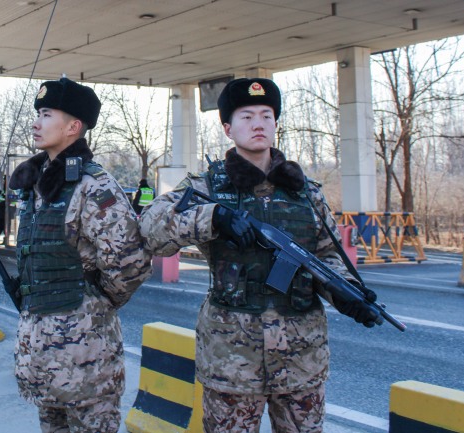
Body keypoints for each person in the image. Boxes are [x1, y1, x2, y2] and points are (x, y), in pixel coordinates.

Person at [139, 78, 380, 432]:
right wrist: (214, 217)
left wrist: (344, 294)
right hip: (232, 360)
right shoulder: (206, 187)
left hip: (302, 360)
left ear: (276, 124)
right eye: (246, 116)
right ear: (227, 128)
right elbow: (150, 230)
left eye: (267, 116)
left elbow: (327, 256)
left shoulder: (306, 193)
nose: (258, 124)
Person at [8, 77, 152, 433]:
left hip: (88, 361)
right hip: (43, 361)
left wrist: (94, 303)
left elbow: (130, 265)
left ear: (73, 126)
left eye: (46, 114)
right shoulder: (38, 185)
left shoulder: (94, 186)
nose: (36, 122)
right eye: (37, 113)